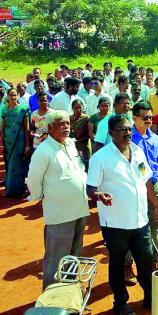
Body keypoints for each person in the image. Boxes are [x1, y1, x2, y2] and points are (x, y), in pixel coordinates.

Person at [86, 114, 158, 315]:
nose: (127, 133)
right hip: (115, 223)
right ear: (111, 133)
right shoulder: (100, 158)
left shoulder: (137, 152)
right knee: (118, 264)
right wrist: (99, 195)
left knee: (146, 262)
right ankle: (120, 303)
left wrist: (157, 206)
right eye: (122, 129)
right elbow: (90, 188)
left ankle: (150, 299)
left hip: (141, 220)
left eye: (129, 129)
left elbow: (146, 182)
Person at [27, 110, 89, 290]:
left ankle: (70, 291)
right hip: (59, 213)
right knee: (57, 257)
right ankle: (52, 298)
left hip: (80, 209)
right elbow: (33, 179)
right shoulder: (44, 151)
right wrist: (39, 196)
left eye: (68, 123)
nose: (66, 127)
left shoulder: (71, 144)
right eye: (61, 124)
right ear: (50, 127)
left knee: (75, 254)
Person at [131, 101, 158, 265]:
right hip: (135, 187)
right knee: (132, 226)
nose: (148, 120)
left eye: (150, 117)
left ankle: (155, 261)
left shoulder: (154, 138)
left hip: (154, 184)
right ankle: (128, 264)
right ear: (135, 118)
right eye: (145, 117)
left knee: (153, 225)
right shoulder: (128, 138)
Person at [1, 88, 31, 197]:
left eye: (15, 95)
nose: (13, 97)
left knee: (18, 163)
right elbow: (3, 128)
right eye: (11, 95)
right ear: (7, 96)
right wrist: (2, 143)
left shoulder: (24, 109)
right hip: (8, 140)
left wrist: (27, 145)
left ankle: (19, 189)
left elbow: (26, 128)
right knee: (9, 164)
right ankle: (10, 189)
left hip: (20, 140)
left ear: (18, 96)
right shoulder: (4, 110)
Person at [70, 99, 91, 170]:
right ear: (72, 108)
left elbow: (88, 134)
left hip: (83, 147)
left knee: (84, 167)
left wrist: (78, 141)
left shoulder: (86, 118)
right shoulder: (69, 118)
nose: (78, 110)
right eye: (76, 108)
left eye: (80, 107)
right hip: (71, 146)